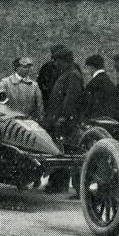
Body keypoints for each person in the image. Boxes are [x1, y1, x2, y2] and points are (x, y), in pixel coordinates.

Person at [43, 47, 84, 193]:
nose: (55, 63)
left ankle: (59, 184)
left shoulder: (72, 75)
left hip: (64, 122)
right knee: (60, 150)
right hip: (59, 120)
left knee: (63, 152)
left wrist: (64, 117)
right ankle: (57, 183)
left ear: (64, 61)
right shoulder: (67, 73)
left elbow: (71, 99)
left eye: (57, 60)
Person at [0, 56, 44, 122]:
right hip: (9, 122)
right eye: (24, 67)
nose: (27, 69)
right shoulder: (5, 83)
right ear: (16, 68)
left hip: (29, 123)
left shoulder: (34, 86)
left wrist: (39, 122)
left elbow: (40, 107)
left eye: (29, 67)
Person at [81, 54, 117, 121]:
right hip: (109, 120)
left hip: (95, 121)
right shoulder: (110, 83)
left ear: (91, 67)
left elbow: (88, 106)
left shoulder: (92, 84)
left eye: (87, 67)